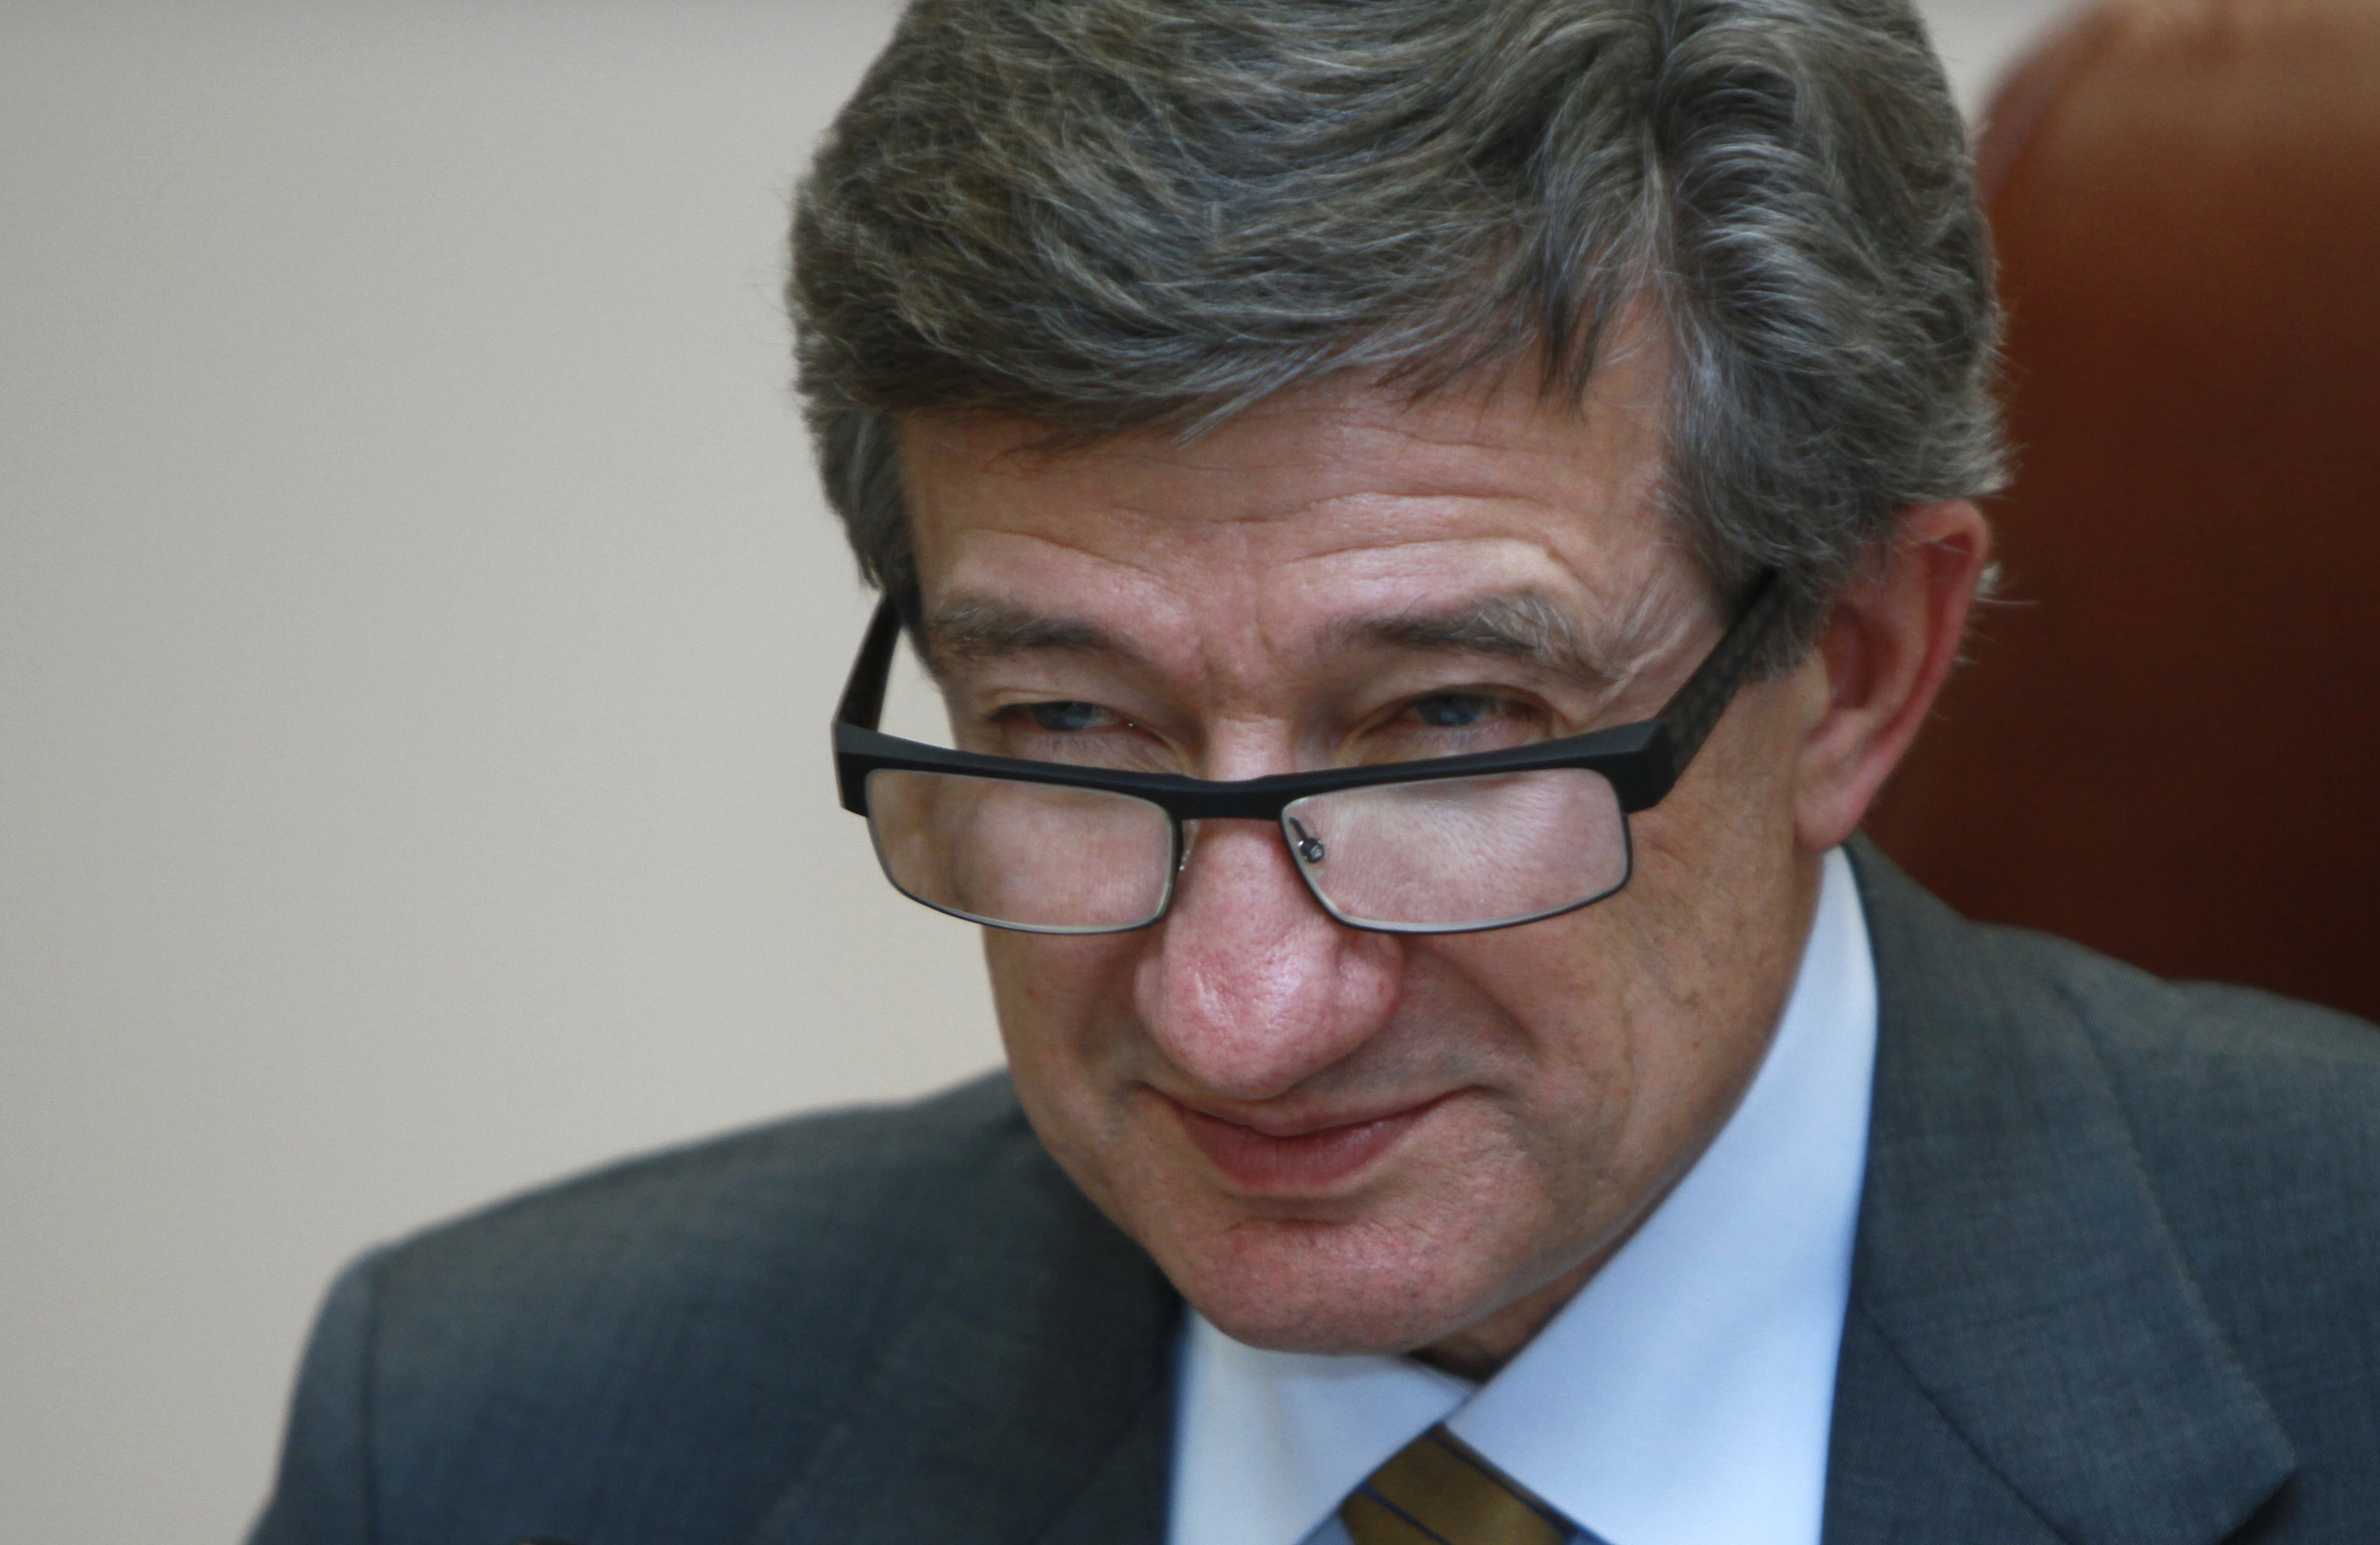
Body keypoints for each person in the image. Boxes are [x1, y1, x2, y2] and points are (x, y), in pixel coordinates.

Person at [248, 1, 2380, 1541]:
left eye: (1445, 724)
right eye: (1070, 726)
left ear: (1851, 667)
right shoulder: (491, 1445)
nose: (1235, 1017)